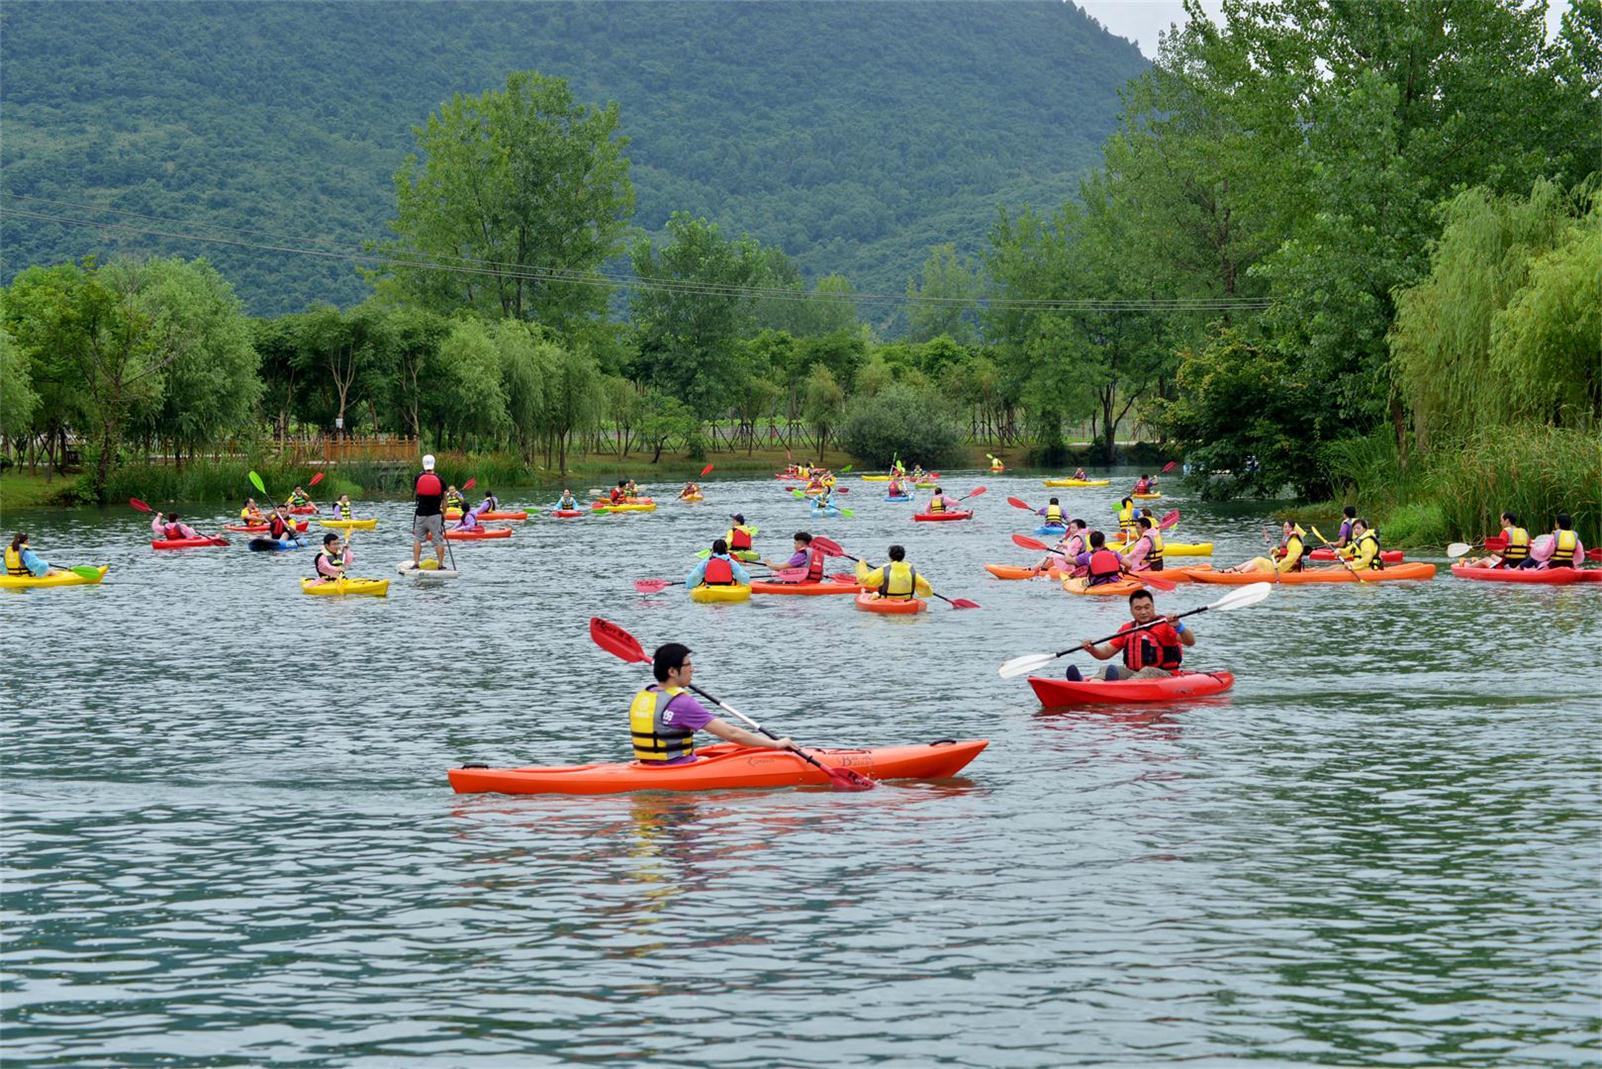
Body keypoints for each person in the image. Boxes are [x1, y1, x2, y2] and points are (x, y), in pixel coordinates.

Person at [629, 643, 795, 764]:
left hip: (648, 765)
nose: (692, 669)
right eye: (688, 665)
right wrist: (775, 744)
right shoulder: (681, 703)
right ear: (672, 671)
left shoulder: (643, 696)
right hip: (677, 769)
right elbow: (732, 734)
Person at [1065, 588, 1196, 681]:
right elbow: (1106, 653)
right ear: (1131, 611)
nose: (1143, 612)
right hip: (1134, 673)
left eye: (1147, 607)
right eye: (1138, 609)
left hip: (1165, 674)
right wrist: (1092, 649)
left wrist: (1179, 626)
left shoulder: (1166, 625)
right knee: (1107, 669)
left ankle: (1113, 688)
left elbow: (1190, 642)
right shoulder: (1127, 628)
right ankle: (1088, 684)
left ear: (1153, 607)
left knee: (1147, 671)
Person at [855, 544, 933, 600]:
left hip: (887, 600)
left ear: (890, 556)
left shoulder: (885, 569)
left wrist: (862, 564)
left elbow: (864, 579)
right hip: (906, 601)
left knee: (873, 594)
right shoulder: (911, 570)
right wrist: (927, 593)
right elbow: (926, 585)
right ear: (903, 556)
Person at [411, 454, 447, 569]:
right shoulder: (440, 479)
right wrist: (444, 513)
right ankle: (440, 565)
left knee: (417, 539)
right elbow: (444, 499)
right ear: (434, 464)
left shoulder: (418, 477)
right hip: (435, 515)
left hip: (421, 514)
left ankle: (416, 563)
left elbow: (417, 491)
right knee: (438, 540)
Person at [1230, 521, 1306, 573]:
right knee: (1257, 559)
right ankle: (1232, 570)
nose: (1285, 529)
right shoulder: (1288, 539)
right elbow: (1283, 553)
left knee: (1259, 560)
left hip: (1285, 569)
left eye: (1288, 527)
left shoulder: (1295, 542)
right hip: (1280, 566)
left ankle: (1241, 573)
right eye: (1284, 527)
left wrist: (1278, 565)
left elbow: (1291, 558)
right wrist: (1275, 551)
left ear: (1292, 529)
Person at [685, 538, 752, 590]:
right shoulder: (731, 562)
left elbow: (693, 578)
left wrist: (689, 585)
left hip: (710, 589)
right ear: (726, 549)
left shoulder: (706, 561)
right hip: (728, 589)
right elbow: (744, 579)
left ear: (713, 550)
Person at [762, 531, 826, 583]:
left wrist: (769, 564)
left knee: (773, 577)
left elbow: (780, 568)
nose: (794, 546)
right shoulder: (816, 553)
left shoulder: (801, 555)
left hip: (801, 583)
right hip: (814, 581)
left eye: (795, 543)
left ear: (800, 544)